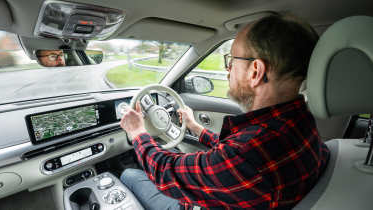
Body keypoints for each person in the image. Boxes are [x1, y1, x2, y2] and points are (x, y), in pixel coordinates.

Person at [119, 13, 330, 210]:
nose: (227, 69)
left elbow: (164, 172)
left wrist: (138, 132)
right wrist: (196, 128)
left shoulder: (248, 155)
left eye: (232, 61)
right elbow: (228, 156)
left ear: (255, 71)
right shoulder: (299, 120)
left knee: (128, 174)